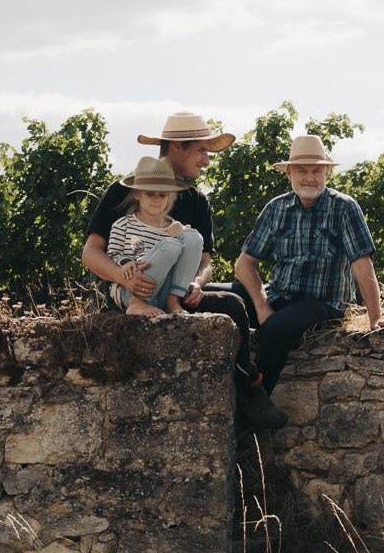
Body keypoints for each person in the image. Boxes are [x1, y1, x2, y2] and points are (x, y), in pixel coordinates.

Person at [82, 112, 287, 430]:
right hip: (128, 292)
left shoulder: (197, 201)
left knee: (235, 300)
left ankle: (249, 390)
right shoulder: (125, 191)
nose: (207, 160)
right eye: (202, 151)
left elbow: (204, 260)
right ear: (177, 146)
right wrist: (126, 277)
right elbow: (91, 252)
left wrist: (195, 283)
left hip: (173, 293)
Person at [235, 135, 384, 394]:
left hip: (324, 303)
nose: (309, 177)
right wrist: (262, 306)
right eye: (302, 170)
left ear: (326, 173)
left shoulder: (344, 208)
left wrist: (375, 318)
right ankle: (230, 383)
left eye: (317, 170)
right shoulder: (276, 208)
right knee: (219, 298)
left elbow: (362, 264)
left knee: (276, 328)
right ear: (288, 171)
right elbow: (244, 264)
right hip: (279, 294)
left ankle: (255, 403)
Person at [105, 156, 204, 318]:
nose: (156, 199)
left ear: (169, 197)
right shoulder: (123, 224)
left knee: (193, 237)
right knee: (171, 246)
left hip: (163, 291)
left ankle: (173, 300)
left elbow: (190, 251)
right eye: (150, 193)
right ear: (137, 194)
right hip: (132, 289)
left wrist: (182, 234)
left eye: (162, 195)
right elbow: (113, 254)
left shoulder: (174, 227)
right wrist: (126, 262)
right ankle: (137, 303)